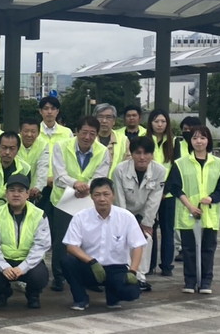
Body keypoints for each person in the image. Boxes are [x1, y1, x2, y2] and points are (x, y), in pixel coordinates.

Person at [62, 177, 145, 310]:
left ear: (113, 195)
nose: (102, 199)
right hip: (89, 266)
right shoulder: (80, 217)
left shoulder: (126, 216)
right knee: (67, 261)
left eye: (106, 194)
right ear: (91, 197)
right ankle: (81, 299)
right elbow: (71, 246)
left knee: (131, 292)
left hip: (116, 267)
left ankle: (113, 297)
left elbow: (138, 245)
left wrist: (133, 271)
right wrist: (91, 262)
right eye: (97, 194)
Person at [49, 116, 111, 291]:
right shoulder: (61, 146)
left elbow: (101, 175)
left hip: (90, 200)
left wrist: (86, 188)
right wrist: (75, 184)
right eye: (84, 132)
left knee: (90, 240)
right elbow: (59, 174)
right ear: (77, 132)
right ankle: (59, 277)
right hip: (64, 200)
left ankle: (90, 277)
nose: (87, 137)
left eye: (92, 134)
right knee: (61, 241)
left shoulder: (103, 151)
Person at [168, 125, 220, 294]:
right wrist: (190, 206)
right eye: (195, 138)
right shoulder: (180, 163)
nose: (198, 141)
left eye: (202, 138)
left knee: (208, 249)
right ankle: (190, 281)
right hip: (187, 213)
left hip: (209, 214)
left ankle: (206, 282)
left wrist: (211, 199)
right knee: (188, 250)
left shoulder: (219, 163)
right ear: (190, 141)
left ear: (208, 140)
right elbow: (175, 187)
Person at [0, 174, 50, 309]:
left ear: (27, 194)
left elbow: (41, 246)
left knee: (40, 275)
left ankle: (33, 294)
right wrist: (4, 266)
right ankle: (3, 292)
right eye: (12, 190)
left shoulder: (39, 214)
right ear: (6, 194)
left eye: (20, 191)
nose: (16, 194)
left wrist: (22, 268)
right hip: (4, 260)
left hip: (28, 261)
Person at [111, 135, 166, 290]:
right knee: (123, 240)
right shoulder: (120, 170)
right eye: (138, 153)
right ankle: (124, 273)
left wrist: (147, 223)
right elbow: (119, 198)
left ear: (152, 154)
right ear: (132, 154)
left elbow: (154, 199)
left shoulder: (159, 170)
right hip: (124, 210)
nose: (142, 157)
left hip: (144, 212)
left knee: (145, 239)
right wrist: (124, 222)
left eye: (146, 153)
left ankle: (140, 276)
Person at [147, 109, 176, 275]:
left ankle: (166, 266)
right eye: (156, 121)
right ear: (151, 123)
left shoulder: (174, 142)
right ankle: (149, 265)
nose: (159, 124)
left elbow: (175, 169)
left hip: (167, 195)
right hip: (149, 193)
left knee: (167, 230)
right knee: (149, 229)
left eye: (163, 121)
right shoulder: (145, 140)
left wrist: (166, 190)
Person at [94, 103, 126, 174]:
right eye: (100, 117)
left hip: (115, 182)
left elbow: (128, 164)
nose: (104, 121)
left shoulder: (123, 140)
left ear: (114, 121)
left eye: (108, 117)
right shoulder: (88, 138)